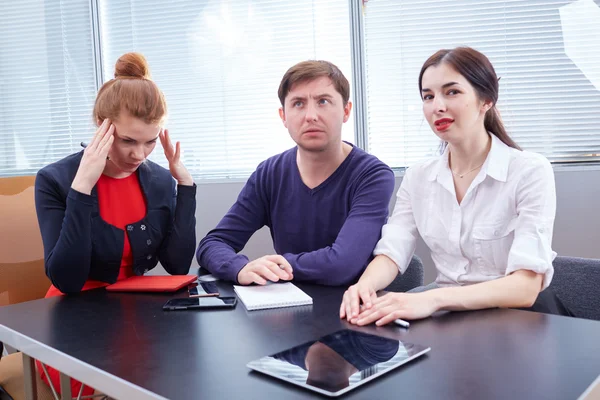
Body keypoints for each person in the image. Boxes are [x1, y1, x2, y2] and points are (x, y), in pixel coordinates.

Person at [340, 47, 570, 326]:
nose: (437, 106)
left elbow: (525, 287)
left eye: (452, 92)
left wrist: (433, 298)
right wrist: (364, 287)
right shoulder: (418, 177)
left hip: (520, 319)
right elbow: (393, 250)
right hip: (453, 318)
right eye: (428, 96)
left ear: (486, 99)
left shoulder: (529, 170)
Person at [34, 52, 196, 395]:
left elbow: (178, 265)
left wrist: (185, 187)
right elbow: (67, 278)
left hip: (135, 313)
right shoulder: (55, 180)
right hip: (73, 315)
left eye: (150, 141)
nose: (139, 155)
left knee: (177, 378)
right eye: (127, 140)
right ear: (101, 126)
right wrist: (82, 188)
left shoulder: (158, 181)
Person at [196, 60, 395, 286]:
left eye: (323, 101)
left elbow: (342, 265)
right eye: (298, 104)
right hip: (285, 308)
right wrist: (240, 268)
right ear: (283, 116)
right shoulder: (269, 174)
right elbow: (213, 243)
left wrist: (275, 265)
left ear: (346, 111)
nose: (311, 115)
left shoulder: (373, 176)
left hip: (353, 309)